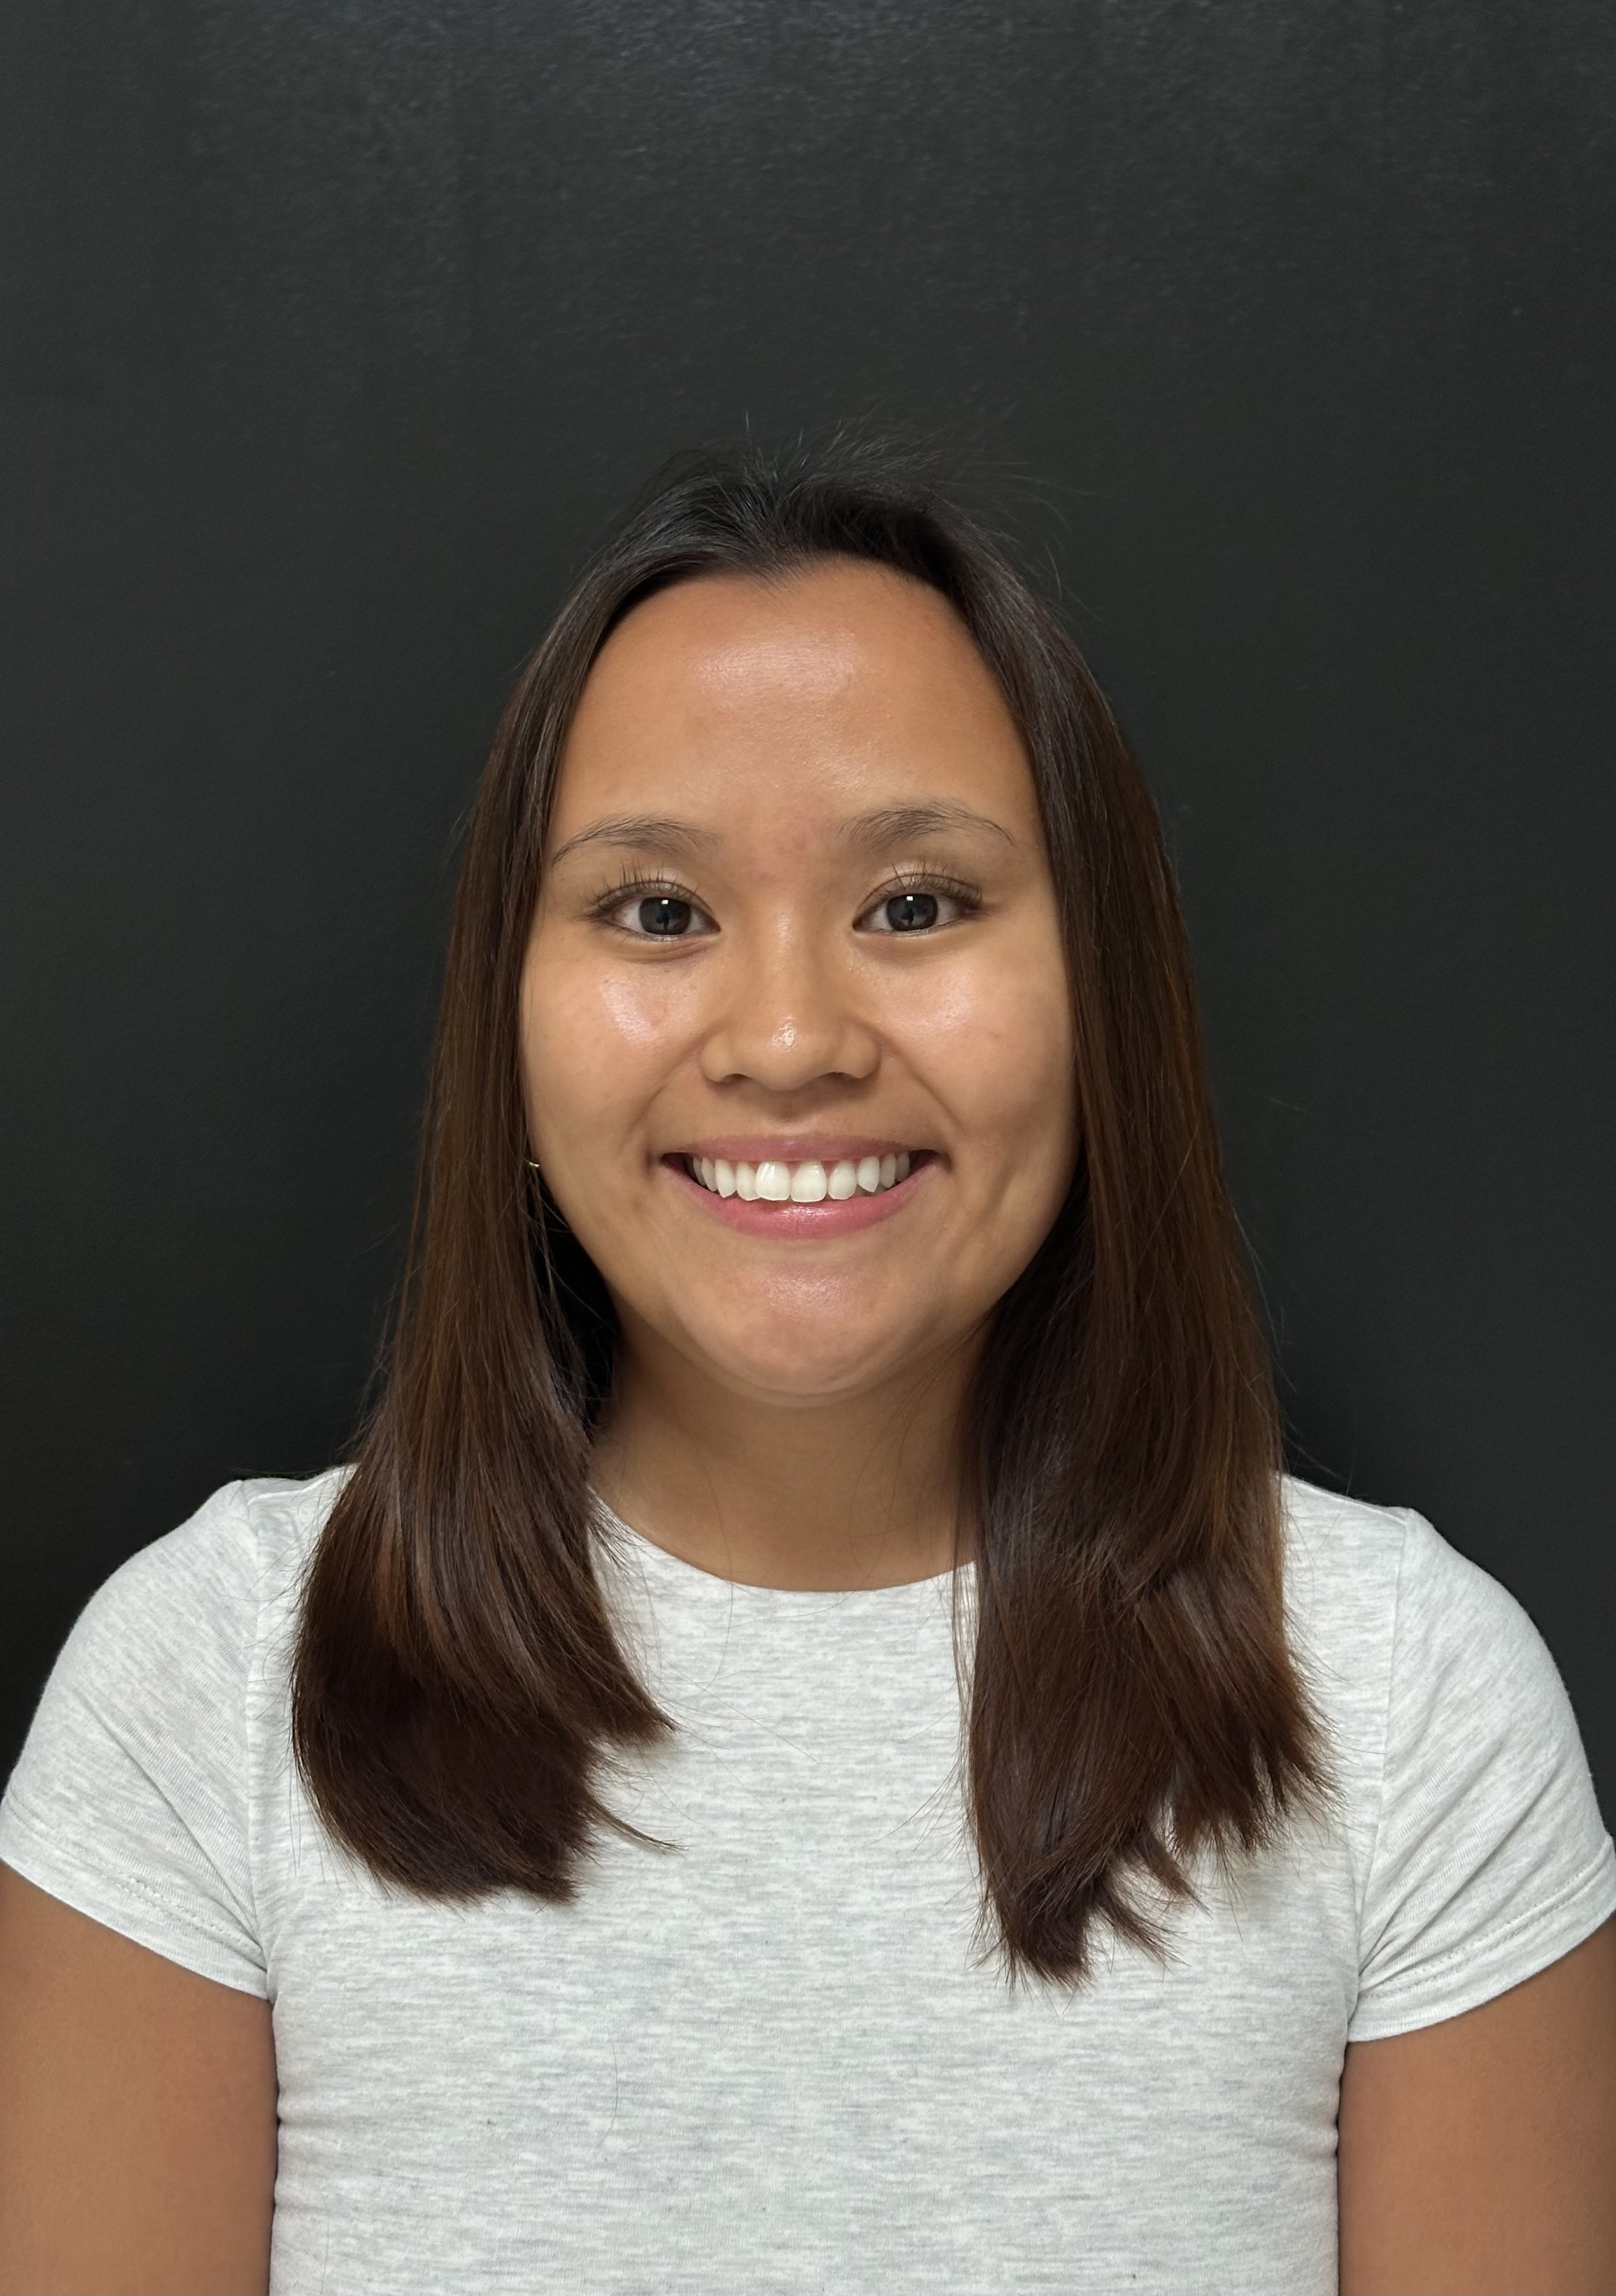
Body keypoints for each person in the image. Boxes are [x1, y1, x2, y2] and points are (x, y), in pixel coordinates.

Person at [1, 443, 1611, 2296]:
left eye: (915, 903)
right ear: (506, 1021)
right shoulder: (207, 1693)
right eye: (655, 911)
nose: (784, 1038)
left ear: (1100, 996)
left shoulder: (1408, 1708)